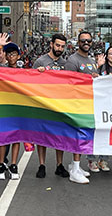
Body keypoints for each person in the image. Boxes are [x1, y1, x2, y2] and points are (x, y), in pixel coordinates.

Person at [32, 34, 70, 179]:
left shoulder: (65, 63)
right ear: (51, 45)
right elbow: (31, 81)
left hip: (60, 105)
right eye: (57, 45)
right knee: (42, 136)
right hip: (43, 104)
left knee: (59, 136)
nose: (60, 48)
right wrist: (39, 73)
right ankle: (42, 165)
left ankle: (59, 165)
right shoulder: (40, 61)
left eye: (62, 46)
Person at [64, 31, 99, 184]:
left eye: (89, 40)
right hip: (76, 104)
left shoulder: (91, 60)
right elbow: (68, 83)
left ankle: (75, 166)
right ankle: (75, 170)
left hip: (88, 104)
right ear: (78, 42)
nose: (86, 43)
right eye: (83, 40)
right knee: (78, 136)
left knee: (84, 135)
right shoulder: (72, 60)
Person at [0, 34, 23, 180]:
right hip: (4, 108)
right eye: (8, 53)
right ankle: (0, 164)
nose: (11, 56)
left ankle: (13, 164)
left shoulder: (23, 71)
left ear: (18, 56)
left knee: (16, 137)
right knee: (2, 137)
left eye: (14, 54)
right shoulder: (2, 69)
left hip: (17, 108)